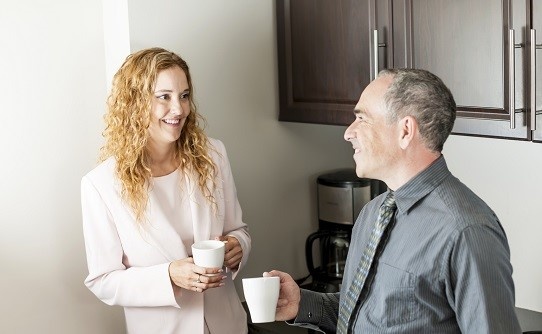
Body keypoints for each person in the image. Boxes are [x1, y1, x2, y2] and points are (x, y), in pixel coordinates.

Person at [265, 68, 522, 333]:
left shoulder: (466, 231)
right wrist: (300, 303)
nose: (348, 133)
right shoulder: (372, 213)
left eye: (362, 119)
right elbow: (363, 315)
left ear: (405, 131)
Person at [81, 47, 251, 334]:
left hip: (227, 325)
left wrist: (238, 246)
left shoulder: (214, 155)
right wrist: (169, 276)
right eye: (164, 97)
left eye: (184, 96)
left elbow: (238, 230)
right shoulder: (101, 184)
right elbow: (103, 280)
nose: (179, 109)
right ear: (135, 103)